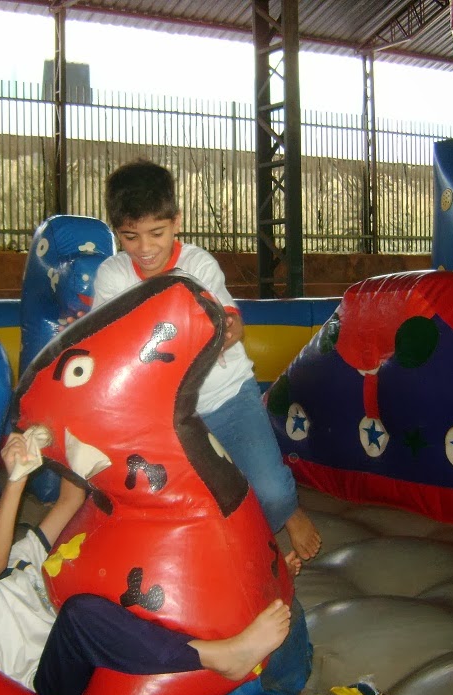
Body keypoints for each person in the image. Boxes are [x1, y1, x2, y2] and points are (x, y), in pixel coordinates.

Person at [0, 431, 296, 695]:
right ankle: (219, 656)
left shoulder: (23, 551)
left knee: (139, 580)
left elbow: (70, 500)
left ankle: (252, 585)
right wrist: (16, 479)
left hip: (86, 660)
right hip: (42, 690)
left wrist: (63, 440)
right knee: (79, 614)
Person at [90, 159, 322, 561]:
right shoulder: (113, 276)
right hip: (161, 415)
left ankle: (288, 510)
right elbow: (106, 345)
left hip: (225, 397)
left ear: (176, 222)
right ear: (116, 233)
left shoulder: (197, 265)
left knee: (270, 493)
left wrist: (228, 327)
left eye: (156, 233)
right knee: (165, 503)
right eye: (130, 236)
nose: (145, 248)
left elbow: (229, 321)